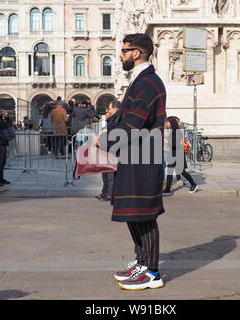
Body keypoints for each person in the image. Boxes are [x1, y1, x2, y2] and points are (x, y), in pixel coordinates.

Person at [98, 33, 167, 290]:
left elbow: (133, 123)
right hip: (133, 155)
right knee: (133, 214)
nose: (120, 54)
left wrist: (104, 140)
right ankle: (142, 261)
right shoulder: (139, 81)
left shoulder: (148, 82)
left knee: (145, 214)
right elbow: (122, 118)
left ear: (136, 53)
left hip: (143, 157)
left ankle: (152, 272)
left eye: (124, 50)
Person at [162, 116, 199, 195]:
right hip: (174, 154)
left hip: (178, 154)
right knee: (170, 171)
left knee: (182, 171)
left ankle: (194, 184)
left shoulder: (176, 131)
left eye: (167, 122)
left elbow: (176, 144)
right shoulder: (173, 131)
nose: (166, 123)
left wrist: (166, 141)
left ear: (171, 122)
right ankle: (167, 189)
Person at [94, 100, 121, 201]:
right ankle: (104, 192)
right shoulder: (111, 119)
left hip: (112, 150)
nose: (107, 112)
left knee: (110, 174)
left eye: (109, 109)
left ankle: (110, 193)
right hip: (106, 149)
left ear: (115, 109)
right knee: (105, 173)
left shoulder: (118, 119)